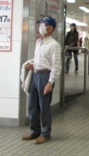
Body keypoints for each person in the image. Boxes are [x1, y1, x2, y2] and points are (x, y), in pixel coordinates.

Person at [22, 16, 61, 144]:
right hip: (35, 74)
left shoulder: (54, 45)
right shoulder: (39, 42)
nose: (40, 27)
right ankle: (34, 131)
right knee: (32, 105)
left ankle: (45, 133)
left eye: (43, 25)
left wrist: (50, 82)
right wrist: (32, 65)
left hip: (45, 76)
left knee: (44, 106)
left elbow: (56, 65)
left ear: (50, 28)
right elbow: (39, 59)